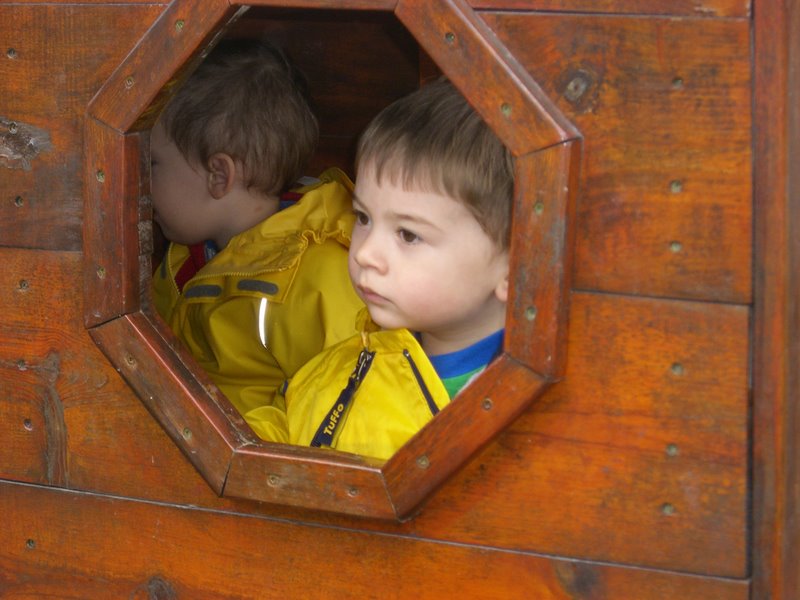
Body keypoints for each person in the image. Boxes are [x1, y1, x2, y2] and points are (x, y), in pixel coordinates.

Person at [279, 79, 514, 460]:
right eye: (363, 217)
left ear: (513, 267)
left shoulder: (532, 413)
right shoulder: (337, 369)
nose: (365, 253)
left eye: (408, 234)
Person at [150, 38, 363, 442]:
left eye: (153, 163)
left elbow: (346, 410)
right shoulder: (186, 257)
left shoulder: (314, 280)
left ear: (219, 175)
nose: (139, 180)